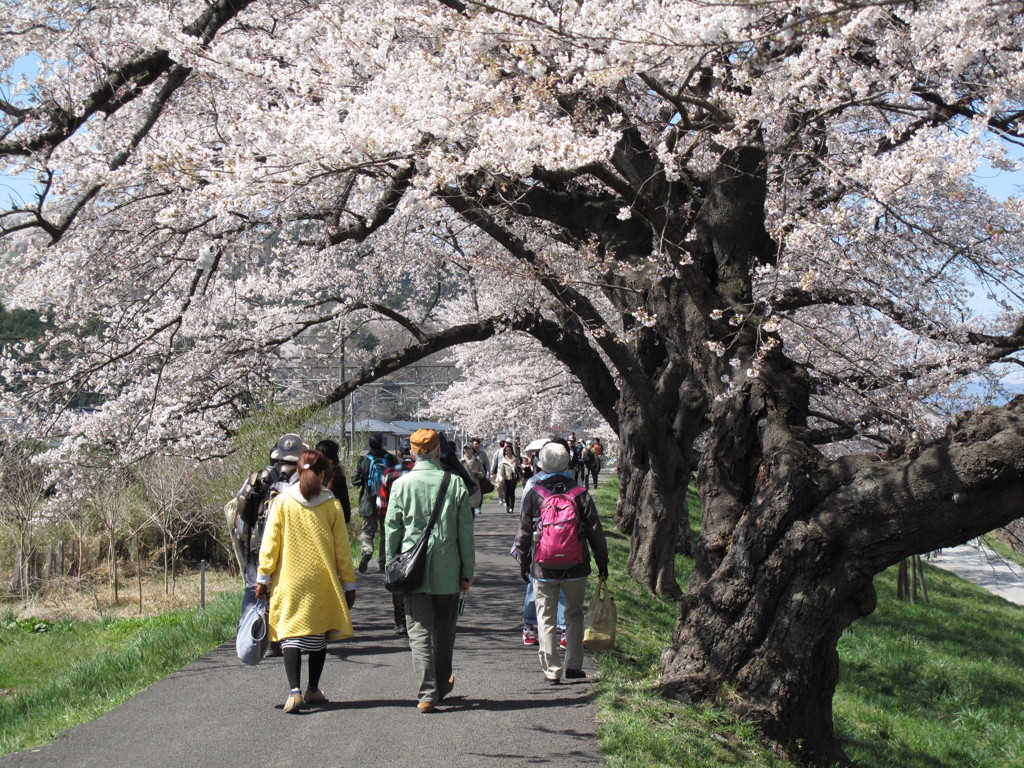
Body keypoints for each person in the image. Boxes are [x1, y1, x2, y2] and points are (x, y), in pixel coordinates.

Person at [254, 449, 357, 713]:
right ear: (323, 474)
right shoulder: (331, 504)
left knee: (290, 633)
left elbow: (270, 543)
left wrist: (263, 578)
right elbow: (342, 550)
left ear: (299, 471)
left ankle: (294, 691)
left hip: (288, 579)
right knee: (317, 633)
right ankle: (313, 688)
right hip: (321, 580)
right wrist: (349, 583)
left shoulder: (283, 502)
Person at [385, 428, 475, 713]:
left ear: (412, 453)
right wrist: (467, 570)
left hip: (413, 569)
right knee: (445, 630)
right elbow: (465, 534)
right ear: (439, 451)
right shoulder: (456, 484)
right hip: (448, 567)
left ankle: (427, 693)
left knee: (419, 631)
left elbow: (392, 530)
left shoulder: (401, 485)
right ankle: (442, 682)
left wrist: (391, 564)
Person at [515, 442, 608, 684]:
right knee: (574, 614)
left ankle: (552, 670)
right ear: (567, 464)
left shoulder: (534, 494)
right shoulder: (580, 494)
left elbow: (524, 533)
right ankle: (574, 665)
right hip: (576, 566)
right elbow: (595, 531)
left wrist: (523, 562)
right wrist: (602, 561)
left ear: (541, 465)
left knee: (545, 617)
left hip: (542, 566)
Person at [376, 438, 416, 635]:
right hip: (419, 530)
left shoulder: (389, 474)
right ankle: (418, 616)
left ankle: (400, 621)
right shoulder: (426, 474)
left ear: (399, 454)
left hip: (395, 529)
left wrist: (386, 525)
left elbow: (381, 506)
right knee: (419, 568)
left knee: (397, 572)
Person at [352, 432, 398, 573]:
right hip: (386, 501)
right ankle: (382, 563)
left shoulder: (363, 460)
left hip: (368, 502)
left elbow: (355, 480)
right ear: (382, 443)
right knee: (385, 532)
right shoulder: (390, 459)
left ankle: (367, 552)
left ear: (369, 444)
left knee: (367, 531)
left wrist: (365, 481)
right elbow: (396, 478)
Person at [315, 439, 352, 524]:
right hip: (333, 520)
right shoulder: (338, 474)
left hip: (318, 519)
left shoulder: (315, 472)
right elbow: (344, 502)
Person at [496, 443, 522, 514]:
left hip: (513, 478)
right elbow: (501, 470)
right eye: (507, 450)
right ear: (505, 452)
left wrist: (517, 467)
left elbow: (520, 468)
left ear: (512, 451)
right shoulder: (503, 461)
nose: (508, 452)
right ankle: (507, 506)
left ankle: (511, 507)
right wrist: (501, 477)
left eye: (510, 450)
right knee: (506, 493)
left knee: (512, 493)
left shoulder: (516, 459)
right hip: (505, 478)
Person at [461, 443, 485, 516]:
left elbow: (482, 474)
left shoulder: (478, 462)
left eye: (469, 449)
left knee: (472, 507)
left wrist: (477, 473)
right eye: (465, 449)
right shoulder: (461, 462)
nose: (467, 451)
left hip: (474, 486)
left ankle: (471, 525)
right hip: (464, 486)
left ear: (473, 450)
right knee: (464, 507)